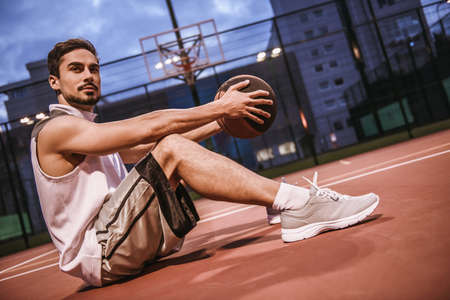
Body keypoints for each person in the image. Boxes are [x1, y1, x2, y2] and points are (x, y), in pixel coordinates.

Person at [31, 38, 379, 287]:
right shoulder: (55, 131)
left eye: (93, 68)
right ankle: (297, 204)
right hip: (103, 251)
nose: (88, 75)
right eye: (76, 69)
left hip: (120, 238)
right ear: (55, 82)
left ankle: (279, 203)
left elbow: (146, 149)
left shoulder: (87, 132)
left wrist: (221, 123)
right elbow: (150, 127)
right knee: (169, 146)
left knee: (167, 149)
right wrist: (219, 108)